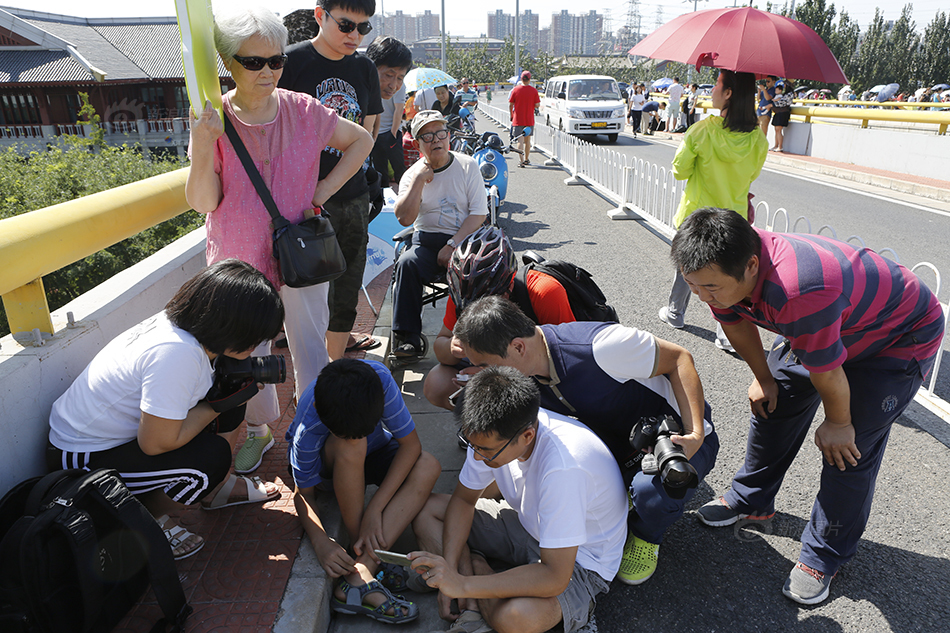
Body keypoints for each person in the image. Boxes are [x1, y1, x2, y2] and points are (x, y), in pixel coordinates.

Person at [670, 207, 945, 605]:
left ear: (751, 266)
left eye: (709, 287)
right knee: (772, 405)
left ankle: (824, 554)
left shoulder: (799, 288)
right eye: (692, 285)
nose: (700, 295)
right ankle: (753, 500)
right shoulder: (720, 267)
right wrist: (765, 379)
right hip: (830, 327)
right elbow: (734, 322)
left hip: (896, 337)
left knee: (847, 449)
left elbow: (829, 373)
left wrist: (839, 422)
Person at [187, 6, 373, 476]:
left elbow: (361, 142)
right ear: (228, 63)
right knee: (248, 352)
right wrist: (204, 144)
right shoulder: (213, 118)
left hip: (301, 253)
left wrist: (321, 192)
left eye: (275, 61)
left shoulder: (303, 110)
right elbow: (203, 200)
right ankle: (259, 429)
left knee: (309, 344)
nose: (267, 71)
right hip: (238, 259)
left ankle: (312, 428)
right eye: (254, 62)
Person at [450, 296, 718, 586]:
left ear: (517, 347)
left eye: (484, 365)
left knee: (649, 492)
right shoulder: (527, 372)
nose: (482, 373)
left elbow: (679, 357)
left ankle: (645, 535)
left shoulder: (601, 347)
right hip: (621, 445)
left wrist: (694, 433)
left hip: (675, 438)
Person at [47, 260, 285, 560]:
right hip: (82, 458)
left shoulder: (187, 326)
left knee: (235, 382)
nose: (259, 345)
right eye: (255, 337)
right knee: (208, 461)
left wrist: (227, 399)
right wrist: (217, 406)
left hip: (118, 438)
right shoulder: (176, 352)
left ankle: (217, 489)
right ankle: (146, 519)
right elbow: (156, 443)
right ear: (231, 325)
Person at [409, 366, 627, 633]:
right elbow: (463, 501)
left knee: (516, 618)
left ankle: (476, 575)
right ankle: (474, 581)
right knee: (427, 510)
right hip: (528, 525)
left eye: (486, 451)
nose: (477, 457)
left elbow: (555, 577)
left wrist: (460, 584)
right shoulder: (492, 432)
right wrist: (451, 569)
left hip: (580, 561)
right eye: (472, 445)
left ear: (527, 436)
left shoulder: (564, 468)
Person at [287, 358, 441, 624]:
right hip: (333, 465)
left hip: (375, 451)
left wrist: (375, 509)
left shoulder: (379, 380)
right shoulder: (309, 426)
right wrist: (321, 542)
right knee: (352, 445)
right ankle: (366, 562)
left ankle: (362, 570)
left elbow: (411, 446)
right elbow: (303, 494)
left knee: (428, 464)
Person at [278, 0, 384, 362]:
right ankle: (306, 378)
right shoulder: (289, 63)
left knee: (347, 288)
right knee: (303, 292)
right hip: (302, 201)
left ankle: (333, 371)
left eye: (363, 28)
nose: (354, 35)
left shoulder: (365, 68)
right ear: (320, 16)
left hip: (353, 197)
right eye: (345, 25)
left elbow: (368, 130)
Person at [658, 69, 767, 352]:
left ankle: (675, 313)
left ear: (728, 93)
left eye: (717, 85)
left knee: (688, 266)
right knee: (728, 276)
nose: (713, 90)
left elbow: (679, 171)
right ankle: (725, 335)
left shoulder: (702, 131)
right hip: (734, 220)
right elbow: (752, 174)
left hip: (697, 216)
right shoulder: (757, 138)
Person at [423, 225, 577, 411]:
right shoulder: (462, 293)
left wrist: (491, 373)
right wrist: (452, 347)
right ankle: (486, 429)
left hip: (541, 377)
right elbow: (441, 346)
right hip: (496, 367)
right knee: (437, 383)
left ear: (508, 286)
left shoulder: (543, 291)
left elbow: (567, 360)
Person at [390, 111, 488, 362]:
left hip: (464, 240)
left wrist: (453, 244)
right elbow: (404, 219)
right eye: (428, 135)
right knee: (406, 263)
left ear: (449, 136)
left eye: (441, 133)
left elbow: (478, 215)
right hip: (425, 240)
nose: (436, 140)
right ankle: (407, 338)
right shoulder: (412, 175)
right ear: (417, 143)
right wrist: (419, 182)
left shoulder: (468, 165)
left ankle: (478, 336)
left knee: (479, 269)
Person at [366, 36, 412, 189]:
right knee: (380, 169)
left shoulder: (375, 101)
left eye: (400, 78)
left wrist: (392, 134)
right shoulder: (356, 99)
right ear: (371, 67)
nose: (394, 85)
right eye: (388, 75)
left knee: (398, 167)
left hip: (387, 134)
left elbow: (399, 111)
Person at [509, 70, 540, 166]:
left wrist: (511, 115)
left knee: (520, 140)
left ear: (521, 79)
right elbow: (537, 104)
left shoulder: (515, 90)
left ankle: (521, 161)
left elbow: (510, 104)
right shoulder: (534, 90)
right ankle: (527, 159)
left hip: (518, 119)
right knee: (527, 141)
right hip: (529, 119)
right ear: (529, 79)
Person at [769, 81, 793, 152]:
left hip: (783, 112)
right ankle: (776, 145)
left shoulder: (790, 94)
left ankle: (780, 146)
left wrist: (773, 103)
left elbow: (782, 103)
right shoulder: (785, 93)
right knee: (776, 129)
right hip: (779, 112)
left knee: (778, 129)